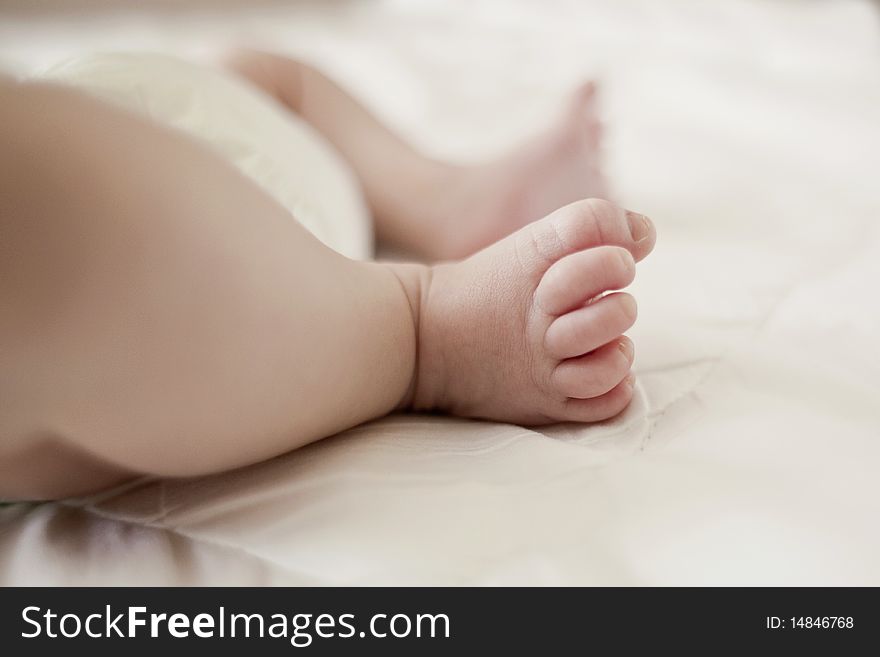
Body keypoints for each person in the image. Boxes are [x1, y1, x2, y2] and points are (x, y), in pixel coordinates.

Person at [0, 50, 656, 500]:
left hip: (124, 120)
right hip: (213, 271)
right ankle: (417, 328)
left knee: (263, 73)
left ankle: (444, 196)